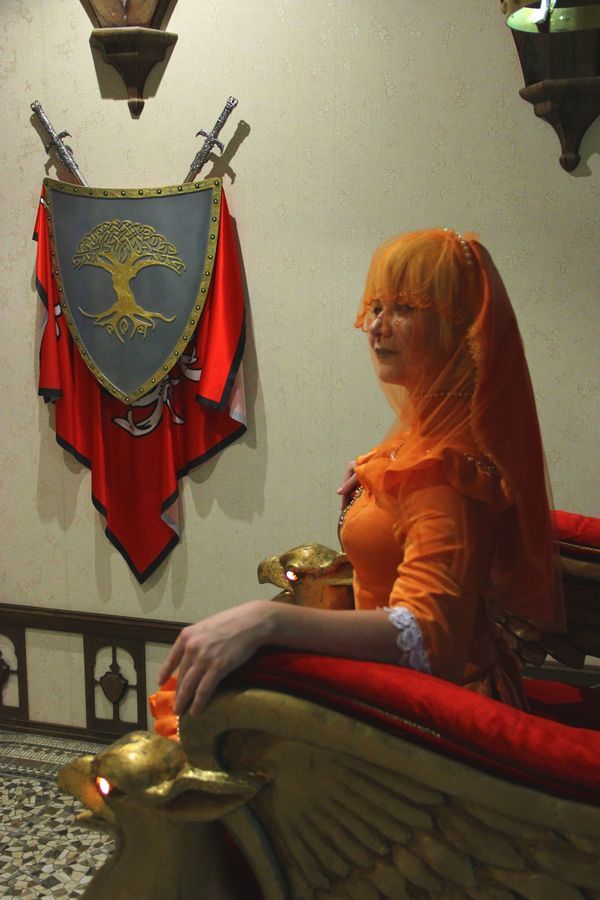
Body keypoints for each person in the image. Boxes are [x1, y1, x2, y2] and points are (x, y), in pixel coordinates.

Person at [156, 228, 564, 720]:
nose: (377, 326)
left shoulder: (445, 470)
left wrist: (269, 621)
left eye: (405, 308)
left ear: (455, 326)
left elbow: (428, 639)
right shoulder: (421, 444)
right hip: (395, 692)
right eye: (376, 307)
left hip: (440, 721)